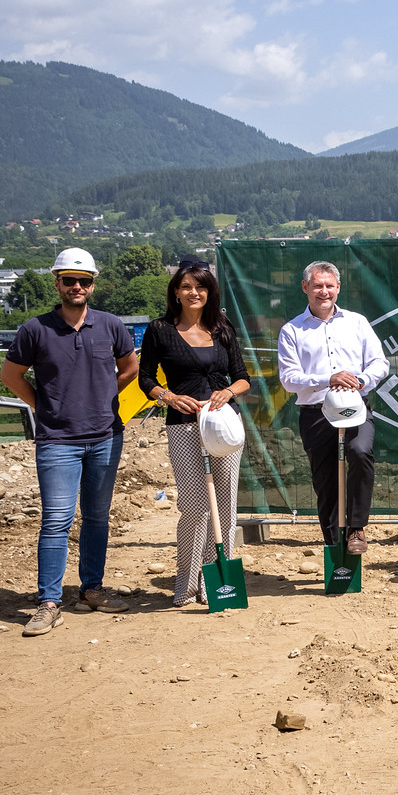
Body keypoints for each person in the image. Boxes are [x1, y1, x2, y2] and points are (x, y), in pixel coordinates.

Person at [2, 247, 142, 635]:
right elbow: (11, 376)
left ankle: (91, 590)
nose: (77, 286)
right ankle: (49, 602)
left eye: (84, 281)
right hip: (57, 441)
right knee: (57, 521)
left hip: (105, 437)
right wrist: (43, 406)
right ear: (57, 282)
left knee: (97, 518)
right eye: (69, 280)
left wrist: (101, 395)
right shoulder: (35, 329)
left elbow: (130, 367)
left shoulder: (111, 326)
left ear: (93, 285)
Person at [137, 257, 253, 607]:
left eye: (200, 286)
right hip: (184, 426)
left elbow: (243, 377)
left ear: (209, 291)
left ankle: (215, 583)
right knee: (194, 506)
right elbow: (146, 379)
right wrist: (168, 396)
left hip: (223, 426)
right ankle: (187, 584)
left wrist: (229, 392)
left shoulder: (223, 328)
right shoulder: (159, 330)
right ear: (175, 292)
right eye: (186, 286)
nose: (193, 292)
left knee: (226, 507)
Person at [276, 261, 387, 557]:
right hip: (315, 413)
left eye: (329, 286)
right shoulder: (292, 331)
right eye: (317, 286)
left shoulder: (357, 322)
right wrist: (328, 379)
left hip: (355, 408)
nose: (323, 292)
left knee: (361, 452)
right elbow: (288, 378)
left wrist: (360, 380)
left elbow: (379, 363)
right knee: (325, 481)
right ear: (305, 288)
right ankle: (332, 543)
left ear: (338, 287)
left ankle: (356, 529)